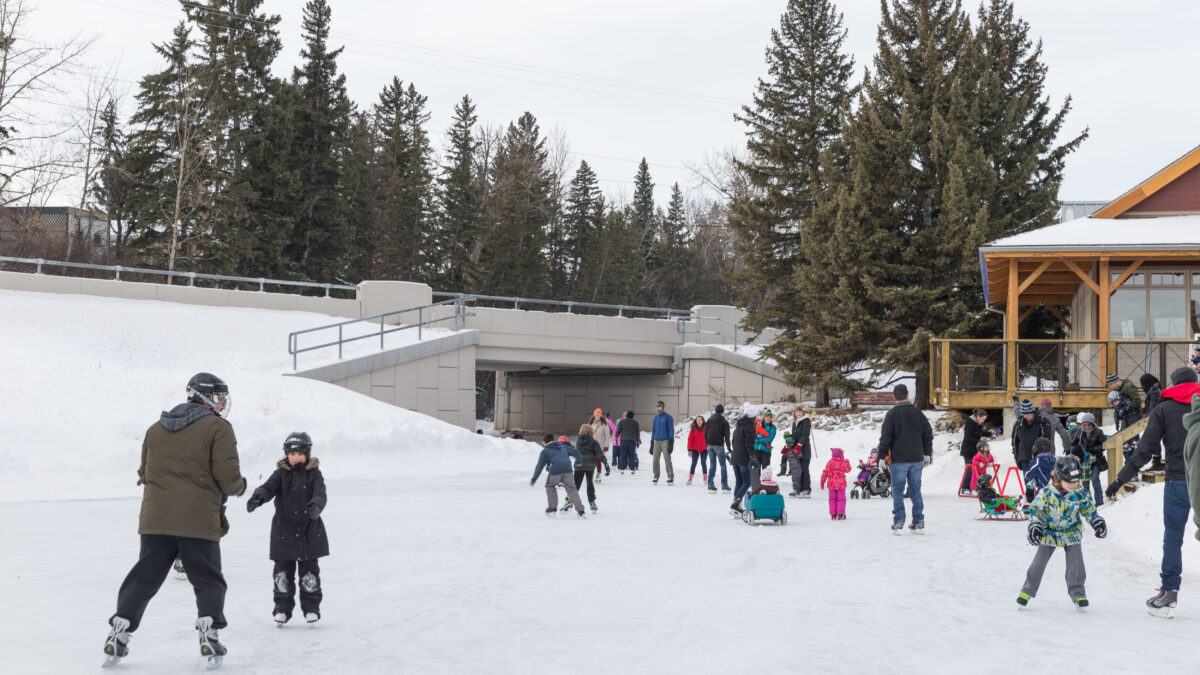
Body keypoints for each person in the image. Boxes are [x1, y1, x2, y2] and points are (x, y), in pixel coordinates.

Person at [103, 373, 246, 668]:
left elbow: (145, 472)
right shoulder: (218, 428)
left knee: (144, 577)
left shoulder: (155, 429)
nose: (222, 403)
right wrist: (240, 486)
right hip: (197, 520)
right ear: (205, 397)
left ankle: (120, 628)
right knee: (207, 578)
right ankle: (210, 632)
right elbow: (228, 478)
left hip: (156, 520)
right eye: (219, 397)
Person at [1106, 366, 1200, 617]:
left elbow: (1145, 450)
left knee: (1173, 538)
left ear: (1173, 384)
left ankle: (1169, 593)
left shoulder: (1163, 409)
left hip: (1178, 481)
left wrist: (1120, 479)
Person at [245, 432, 328, 625]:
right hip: (284, 532)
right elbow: (268, 488)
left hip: (309, 531)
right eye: (291, 454)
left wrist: (316, 505)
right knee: (282, 574)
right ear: (286, 455)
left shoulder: (314, 473)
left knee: (309, 574)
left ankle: (311, 608)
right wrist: (258, 497)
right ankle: (282, 608)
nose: (295, 458)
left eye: (299, 454)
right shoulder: (281, 473)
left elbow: (321, 493)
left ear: (307, 454)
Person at [1017, 456, 1106, 610]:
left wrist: (1096, 521)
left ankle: (1078, 593)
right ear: (1058, 478)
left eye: (1076, 480)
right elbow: (1036, 512)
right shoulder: (1046, 493)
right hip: (1049, 531)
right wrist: (1035, 526)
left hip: (1071, 531)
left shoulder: (1081, 493)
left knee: (1076, 563)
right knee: (1039, 562)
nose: (1073, 484)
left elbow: (1089, 511)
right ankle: (1027, 590)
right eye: (1069, 481)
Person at [878, 384, 933, 534]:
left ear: (894, 397)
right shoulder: (918, 413)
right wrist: (927, 453)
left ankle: (899, 521)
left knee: (897, 491)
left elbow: (885, 438)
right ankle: (918, 520)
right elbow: (928, 433)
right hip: (916, 459)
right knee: (915, 490)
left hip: (899, 460)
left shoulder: (891, 415)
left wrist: (882, 457)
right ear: (907, 395)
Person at [530, 434, 585, 518]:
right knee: (572, 489)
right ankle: (581, 511)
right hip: (568, 469)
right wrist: (579, 461)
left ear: (544, 442)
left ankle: (552, 508)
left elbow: (539, 466)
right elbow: (576, 452)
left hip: (555, 471)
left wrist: (533, 480)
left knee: (550, 485)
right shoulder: (562, 446)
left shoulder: (545, 451)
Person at [568, 424, 608, 513]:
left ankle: (570, 501)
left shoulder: (578, 441)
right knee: (590, 484)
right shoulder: (594, 442)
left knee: (576, 484)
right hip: (590, 466)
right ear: (591, 431)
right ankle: (592, 503)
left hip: (579, 465)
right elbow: (599, 454)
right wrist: (606, 464)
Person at [1068, 413, 1107, 505]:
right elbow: (1074, 443)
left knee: (1095, 479)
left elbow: (1104, 445)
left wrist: (1091, 450)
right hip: (1084, 461)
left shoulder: (1098, 432)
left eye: (1088, 425)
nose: (1086, 427)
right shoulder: (1080, 432)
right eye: (1084, 425)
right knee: (1085, 482)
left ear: (1093, 424)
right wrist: (1077, 451)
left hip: (1096, 460)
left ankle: (1099, 501)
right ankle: (1087, 502)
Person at [729, 404, 759, 516]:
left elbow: (733, 442)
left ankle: (736, 506)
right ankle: (735, 504)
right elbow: (749, 444)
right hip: (743, 458)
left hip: (735, 457)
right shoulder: (750, 427)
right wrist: (753, 456)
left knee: (739, 482)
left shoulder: (739, 425)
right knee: (747, 482)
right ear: (753, 416)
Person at [1011, 399, 1051, 474]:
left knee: (1040, 484)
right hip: (1024, 459)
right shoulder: (1019, 423)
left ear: (1033, 412)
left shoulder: (1042, 422)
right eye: (1024, 414)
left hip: (1039, 459)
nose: (1025, 416)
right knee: (1029, 484)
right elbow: (1014, 442)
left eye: (1028, 414)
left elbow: (1047, 442)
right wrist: (1017, 458)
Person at [705, 404, 732, 493]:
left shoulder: (709, 420)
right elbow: (727, 437)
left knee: (712, 465)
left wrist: (707, 444)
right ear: (722, 412)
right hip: (719, 446)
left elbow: (705, 434)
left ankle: (710, 484)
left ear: (715, 411)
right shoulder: (724, 422)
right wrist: (729, 448)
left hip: (710, 445)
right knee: (723, 465)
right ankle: (724, 485)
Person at [959, 409, 987, 495]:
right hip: (968, 450)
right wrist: (979, 443)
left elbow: (980, 433)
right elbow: (968, 437)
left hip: (975, 450)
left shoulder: (978, 423)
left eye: (984, 419)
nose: (983, 421)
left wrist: (991, 433)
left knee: (976, 470)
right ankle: (965, 488)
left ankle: (973, 487)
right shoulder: (970, 423)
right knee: (970, 469)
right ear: (978, 416)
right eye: (982, 419)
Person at [820, 448, 852, 520]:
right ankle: (841, 514)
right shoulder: (842, 462)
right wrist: (847, 462)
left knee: (832, 499)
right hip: (841, 485)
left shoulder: (829, 463)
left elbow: (825, 473)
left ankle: (833, 514)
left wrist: (822, 482)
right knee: (841, 499)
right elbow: (848, 469)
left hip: (831, 485)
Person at [788, 407, 813, 498]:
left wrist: (800, 444)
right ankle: (797, 489)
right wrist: (789, 441)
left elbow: (805, 435)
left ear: (803, 413)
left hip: (804, 450)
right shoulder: (795, 423)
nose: (798, 413)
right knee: (798, 470)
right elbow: (794, 436)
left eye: (800, 412)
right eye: (797, 412)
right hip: (797, 451)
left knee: (804, 469)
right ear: (794, 413)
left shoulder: (806, 421)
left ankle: (806, 489)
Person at [1024, 437, 1056, 502]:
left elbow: (1027, 475)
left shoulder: (1036, 462)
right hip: (1058, 493)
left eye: (1035, 448)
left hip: (1043, 495)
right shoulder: (1056, 459)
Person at [650, 401, 675, 484]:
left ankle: (670, 476)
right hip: (656, 441)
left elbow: (671, 430)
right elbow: (653, 430)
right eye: (657, 406)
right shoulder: (655, 418)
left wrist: (671, 442)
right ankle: (656, 476)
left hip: (665, 441)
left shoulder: (668, 417)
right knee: (655, 460)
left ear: (663, 406)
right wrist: (652, 442)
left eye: (659, 406)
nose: (658, 407)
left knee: (667, 459)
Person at [753, 409, 777, 486]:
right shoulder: (758, 425)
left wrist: (758, 439)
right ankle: (756, 485)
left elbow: (769, 439)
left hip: (766, 451)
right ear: (764, 417)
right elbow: (753, 434)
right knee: (756, 469)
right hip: (756, 450)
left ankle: (765, 485)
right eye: (767, 417)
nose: (768, 418)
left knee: (765, 470)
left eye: (770, 417)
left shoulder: (772, 428)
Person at [589, 409, 613, 480]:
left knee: (598, 459)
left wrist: (606, 446)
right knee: (591, 460)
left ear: (601, 416)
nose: (597, 417)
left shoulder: (604, 424)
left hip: (600, 446)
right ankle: (591, 472)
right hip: (592, 445)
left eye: (598, 415)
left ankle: (598, 473)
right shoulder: (591, 424)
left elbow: (607, 436)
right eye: (596, 415)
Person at [615, 411, 640, 475]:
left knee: (623, 454)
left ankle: (622, 468)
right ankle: (632, 469)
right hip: (632, 440)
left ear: (627, 416)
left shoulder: (622, 422)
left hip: (624, 440)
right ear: (633, 416)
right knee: (631, 455)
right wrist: (638, 441)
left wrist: (616, 437)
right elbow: (637, 433)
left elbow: (618, 430)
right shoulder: (635, 423)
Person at [685, 416, 708, 485]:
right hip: (695, 449)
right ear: (696, 421)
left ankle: (705, 477)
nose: (699, 421)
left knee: (703, 463)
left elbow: (709, 437)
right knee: (693, 463)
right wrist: (689, 449)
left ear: (703, 421)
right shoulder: (693, 429)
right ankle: (690, 478)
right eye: (697, 420)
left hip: (704, 449)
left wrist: (710, 446)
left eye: (700, 420)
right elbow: (690, 440)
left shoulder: (706, 429)